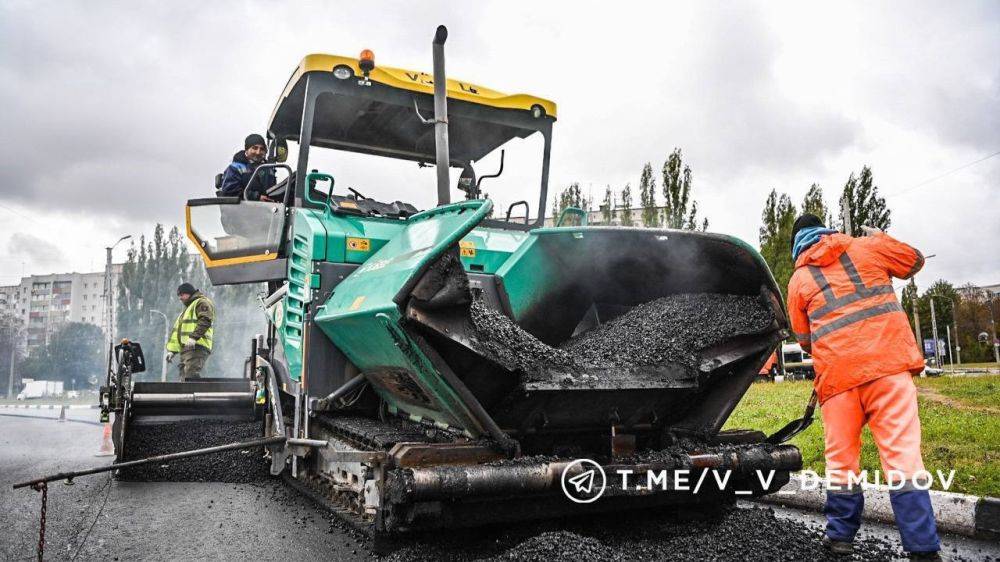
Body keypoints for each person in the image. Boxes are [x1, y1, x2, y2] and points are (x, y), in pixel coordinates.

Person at [786, 214, 939, 560]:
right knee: (902, 458)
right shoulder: (868, 248)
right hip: (889, 370)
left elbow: (804, 339)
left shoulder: (799, 279)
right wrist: (882, 237)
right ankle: (923, 550)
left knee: (841, 461)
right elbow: (913, 260)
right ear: (825, 230)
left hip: (839, 381)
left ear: (797, 243)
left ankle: (840, 538)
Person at [165, 283, 215, 381]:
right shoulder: (187, 310)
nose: (180, 298)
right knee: (185, 378)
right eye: (179, 295)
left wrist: (193, 338)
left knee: (190, 375)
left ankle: (201, 394)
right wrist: (172, 351)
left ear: (189, 293)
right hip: (187, 349)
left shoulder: (201, 302)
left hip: (197, 347)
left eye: (181, 294)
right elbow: (178, 334)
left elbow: (205, 320)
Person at [219, 134, 275, 200]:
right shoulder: (235, 168)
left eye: (262, 149)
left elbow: (272, 190)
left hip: (267, 208)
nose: (258, 152)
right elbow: (229, 191)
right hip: (243, 208)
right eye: (255, 148)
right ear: (246, 149)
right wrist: (256, 197)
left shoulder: (268, 169)